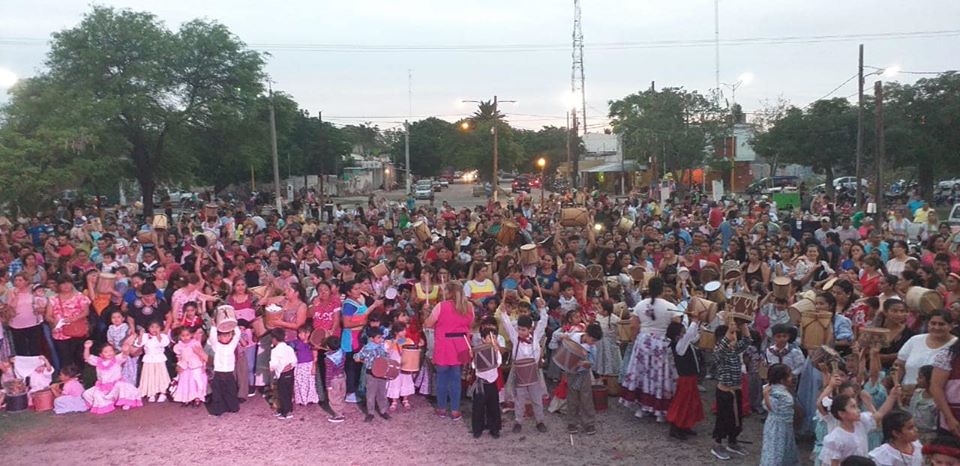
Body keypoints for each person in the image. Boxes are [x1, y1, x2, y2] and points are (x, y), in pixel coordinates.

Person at [623, 277, 682, 422]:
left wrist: (633, 340)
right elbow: (677, 327)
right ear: (662, 289)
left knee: (643, 373)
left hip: (643, 341)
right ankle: (660, 411)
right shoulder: (670, 306)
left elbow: (633, 326)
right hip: (662, 343)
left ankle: (641, 407)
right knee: (660, 375)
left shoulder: (641, 305)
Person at [424, 280, 474, 421]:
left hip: (444, 345)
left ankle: (441, 408)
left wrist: (428, 312)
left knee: (442, 378)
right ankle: (455, 410)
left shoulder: (441, 306)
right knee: (456, 378)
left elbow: (428, 324)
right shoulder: (469, 306)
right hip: (461, 345)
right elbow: (470, 324)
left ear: (449, 292)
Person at [500, 296, 549, 433]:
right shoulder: (515, 338)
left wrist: (542, 308)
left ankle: (540, 421)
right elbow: (507, 325)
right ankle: (518, 421)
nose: (521, 332)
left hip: (533, 371)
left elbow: (543, 322)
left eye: (524, 330)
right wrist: (503, 312)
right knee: (519, 398)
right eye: (519, 329)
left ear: (530, 329)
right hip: (520, 372)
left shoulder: (535, 338)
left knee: (536, 398)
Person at [819, 388, 902, 466]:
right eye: (853, 407)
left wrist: (892, 396)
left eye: (857, 406)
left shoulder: (861, 423)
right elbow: (833, 463)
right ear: (842, 413)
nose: (858, 410)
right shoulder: (835, 438)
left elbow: (879, 414)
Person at [710, 320, 752, 461]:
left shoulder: (735, 349)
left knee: (737, 419)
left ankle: (732, 442)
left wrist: (743, 324)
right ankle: (717, 445)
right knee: (723, 419)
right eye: (731, 335)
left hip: (736, 390)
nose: (734, 337)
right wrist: (730, 332)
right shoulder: (718, 351)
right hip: (725, 392)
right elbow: (722, 348)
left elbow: (747, 341)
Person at [554, 322, 602, 436]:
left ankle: (589, 423)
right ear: (587, 334)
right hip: (572, 372)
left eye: (595, 341)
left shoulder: (593, 348)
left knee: (586, 398)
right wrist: (563, 336)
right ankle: (572, 422)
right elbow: (557, 336)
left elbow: (593, 364)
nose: (593, 343)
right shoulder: (574, 336)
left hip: (583, 374)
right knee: (572, 397)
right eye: (593, 340)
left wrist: (587, 364)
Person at [665, 318, 704, 441]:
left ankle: (685, 425)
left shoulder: (682, 343)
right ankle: (676, 427)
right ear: (677, 336)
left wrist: (698, 325)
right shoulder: (679, 345)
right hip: (685, 379)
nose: (685, 333)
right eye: (682, 332)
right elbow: (689, 337)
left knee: (690, 403)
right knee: (682, 404)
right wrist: (694, 321)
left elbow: (692, 337)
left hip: (690, 378)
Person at [81, 339, 142, 414]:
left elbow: (124, 355)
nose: (109, 353)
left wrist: (126, 349)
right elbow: (87, 357)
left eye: (111, 351)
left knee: (121, 386)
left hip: (116, 385)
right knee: (87, 393)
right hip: (103, 387)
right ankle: (106, 404)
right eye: (106, 352)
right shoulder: (98, 361)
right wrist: (87, 348)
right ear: (101, 354)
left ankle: (126, 402)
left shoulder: (116, 359)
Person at [895, 311, 956, 386]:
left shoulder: (956, 345)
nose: (936, 327)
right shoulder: (915, 340)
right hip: (905, 392)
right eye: (933, 323)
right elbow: (899, 366)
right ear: (928, 324)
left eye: (941, 324)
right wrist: (896, 385)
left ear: (951, 326)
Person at [760, 363, 799, 466]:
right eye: (789, 375)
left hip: (783, 424)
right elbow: (771, 408)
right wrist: (766, 396)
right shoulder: (777, 392)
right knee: (775, 449)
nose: (792, 378)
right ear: (782, 380)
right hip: (777, 426)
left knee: (783, 448)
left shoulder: (775, 389)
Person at [470, 326, 502, 439]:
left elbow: (498, 363)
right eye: (490, 337)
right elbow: (474, 366)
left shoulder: (495, 350)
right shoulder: (478, 350)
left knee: (493, 407)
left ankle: (494, 428)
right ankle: (477, 429)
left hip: (492, 383)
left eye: (494, 337)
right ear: (483, 339)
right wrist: (472, 356)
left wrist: (497, 351)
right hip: (481, 384)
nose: (493, 339)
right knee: (478, 408)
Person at [354, 326, 390, 422]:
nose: (381, 339)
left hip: (382, 373)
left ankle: (383, 411)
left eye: (381, 337)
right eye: (378, 337)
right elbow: (357, 356)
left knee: (382, 393)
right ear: (371, 338)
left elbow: (388, 356)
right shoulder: (367, 348)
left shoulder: (383, 346)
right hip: (371, 374)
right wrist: (358, 358)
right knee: (371, 394)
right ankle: (370, 413)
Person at [207, 326, 241, 417]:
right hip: (219, 373)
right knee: (217, 393)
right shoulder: (216, 346)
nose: (225, 338)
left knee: (231, 391)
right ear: (219, 337)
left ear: (230, 336)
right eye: (223, 336)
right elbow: (212, 337)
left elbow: (237, 335)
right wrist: (214, 326)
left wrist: (233, 324)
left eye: (228, 336)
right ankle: (218, 410)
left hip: (229, 373)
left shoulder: (232, 345)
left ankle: (232, 407)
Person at [135, 321, 171, 402]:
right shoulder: (145, 336)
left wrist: (158, 334)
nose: (154, 329)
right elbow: (138, 344)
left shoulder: (163, 336)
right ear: (148, 328)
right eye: (152, 327)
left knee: (161, 375)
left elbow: (163, 343)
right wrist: (140, 335)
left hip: (159, 359)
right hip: (148, 359)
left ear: (160, 328)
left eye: (157, 327)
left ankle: (163, 393)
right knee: (150, 375)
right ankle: (152, 393)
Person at [172, 326, 207, 407]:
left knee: (196, 382)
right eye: (183, 336)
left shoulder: (195, 343)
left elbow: (201, 355)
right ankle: (186, 398)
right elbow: (179, 357)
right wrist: (178, 366)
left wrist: (203, 366)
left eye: (187, 335)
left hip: (196, 365)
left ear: (191, 335)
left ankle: (197, 398)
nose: (185, 337)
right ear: (179, 336)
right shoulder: (178, 346)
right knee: (185, 382)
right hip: (184, 366)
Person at [269, 328, 297, 420]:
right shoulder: (289, 348)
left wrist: (271, 368)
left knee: (282, 393)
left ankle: (285, 412)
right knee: (288, 392)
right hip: (290, 373)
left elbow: (274, 363)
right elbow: (294, 360)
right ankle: (288, 409)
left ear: (274, 339)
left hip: (282, 375)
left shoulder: (275, 351)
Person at [289, 325, 319, 406]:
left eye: (301, 333)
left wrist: (314, 367)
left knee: (310, 382)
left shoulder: (312, 344)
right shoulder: (296, 343)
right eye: (298, 333)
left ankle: (310, 399)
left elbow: (315, 357)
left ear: (308, 333)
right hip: (299, 366)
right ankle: (301, 400)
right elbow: (293, 353)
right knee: (299, 382)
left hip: (309, 365)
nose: (299, 335)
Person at [322, 335, 347, 423]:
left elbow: (329, 373)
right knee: (341, 394)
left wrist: (328, 385)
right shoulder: (342, 352)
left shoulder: (328, 359)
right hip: (342, 377)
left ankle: (338, 415)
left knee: (334, 397)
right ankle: (341, 410)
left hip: (334, 380)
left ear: (328, 347)